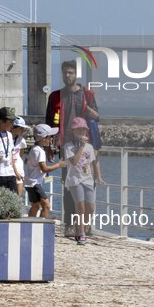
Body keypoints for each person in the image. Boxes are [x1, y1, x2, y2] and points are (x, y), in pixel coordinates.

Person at [45, 60, 104, 236]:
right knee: (69, 185)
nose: (67, 76)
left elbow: (97, 116)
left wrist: (88, 110)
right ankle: (70, 225)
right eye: (65, 73)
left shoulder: (87, 94)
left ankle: (85, 225)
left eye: (70, 72)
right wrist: (49, 147)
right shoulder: (55, 96)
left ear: (76, 74)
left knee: (88, 182)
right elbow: (49, 123)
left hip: (86, 145)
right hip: (66, 145)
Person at [63, 117, 96, 245]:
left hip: (87, 179)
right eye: (79, 130)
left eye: (84, 129)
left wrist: (93, 179)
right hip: (75, 179)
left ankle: (81, 225)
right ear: (73, 131)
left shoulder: (90, 147)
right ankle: (81, 232)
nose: (82, 132)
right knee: (80, 207)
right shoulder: (69, 147)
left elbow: (91, 164)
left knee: (91, 207)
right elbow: (74, 161)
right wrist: (81, 146)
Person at [24, 124, 64, 218]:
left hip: (29, 182)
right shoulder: (40, 152)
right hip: (35, 183)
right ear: (43, 138)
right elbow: (44, 168)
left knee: (35, 205)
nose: (51, 139)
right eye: (50, 137)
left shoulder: (34, 148)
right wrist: (58, 165)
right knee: (46, 206)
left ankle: (30, 224)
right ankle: (41, 226)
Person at [10, 116, 30, 197]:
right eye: (21, 128)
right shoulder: (7, 138)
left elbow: (20, 155)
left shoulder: (21, 140)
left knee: (18, 195)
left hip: (19, 169)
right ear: (15, 128)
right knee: (10, 195)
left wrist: (19, 169)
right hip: (9, 170)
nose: (23, 130)